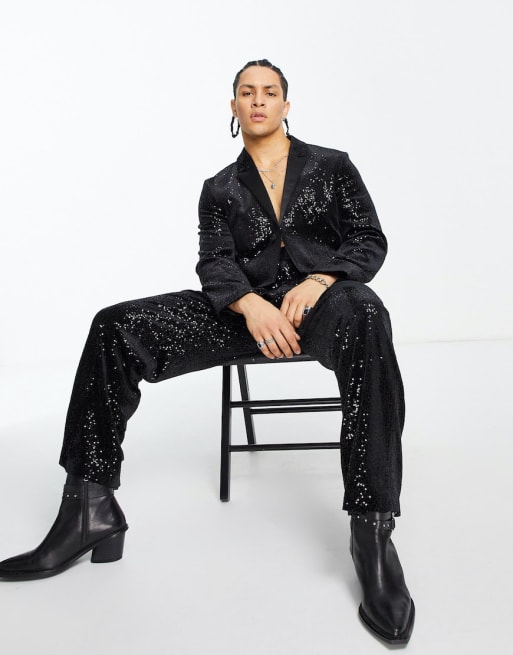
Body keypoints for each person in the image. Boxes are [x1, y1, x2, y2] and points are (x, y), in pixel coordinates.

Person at [0, 59, 414, 645]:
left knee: (368, 313)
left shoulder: (333, 165)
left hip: (324, 306)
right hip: (243, 315)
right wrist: (249, 304)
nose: (259, 100)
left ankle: (372, 528)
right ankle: (88, 507)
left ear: (287, 105)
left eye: (270, 91)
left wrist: (322, 281)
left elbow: (369, 238)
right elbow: (215, 262)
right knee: (113, 326)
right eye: (247, 92)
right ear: (234, 106)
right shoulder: (219, 188)